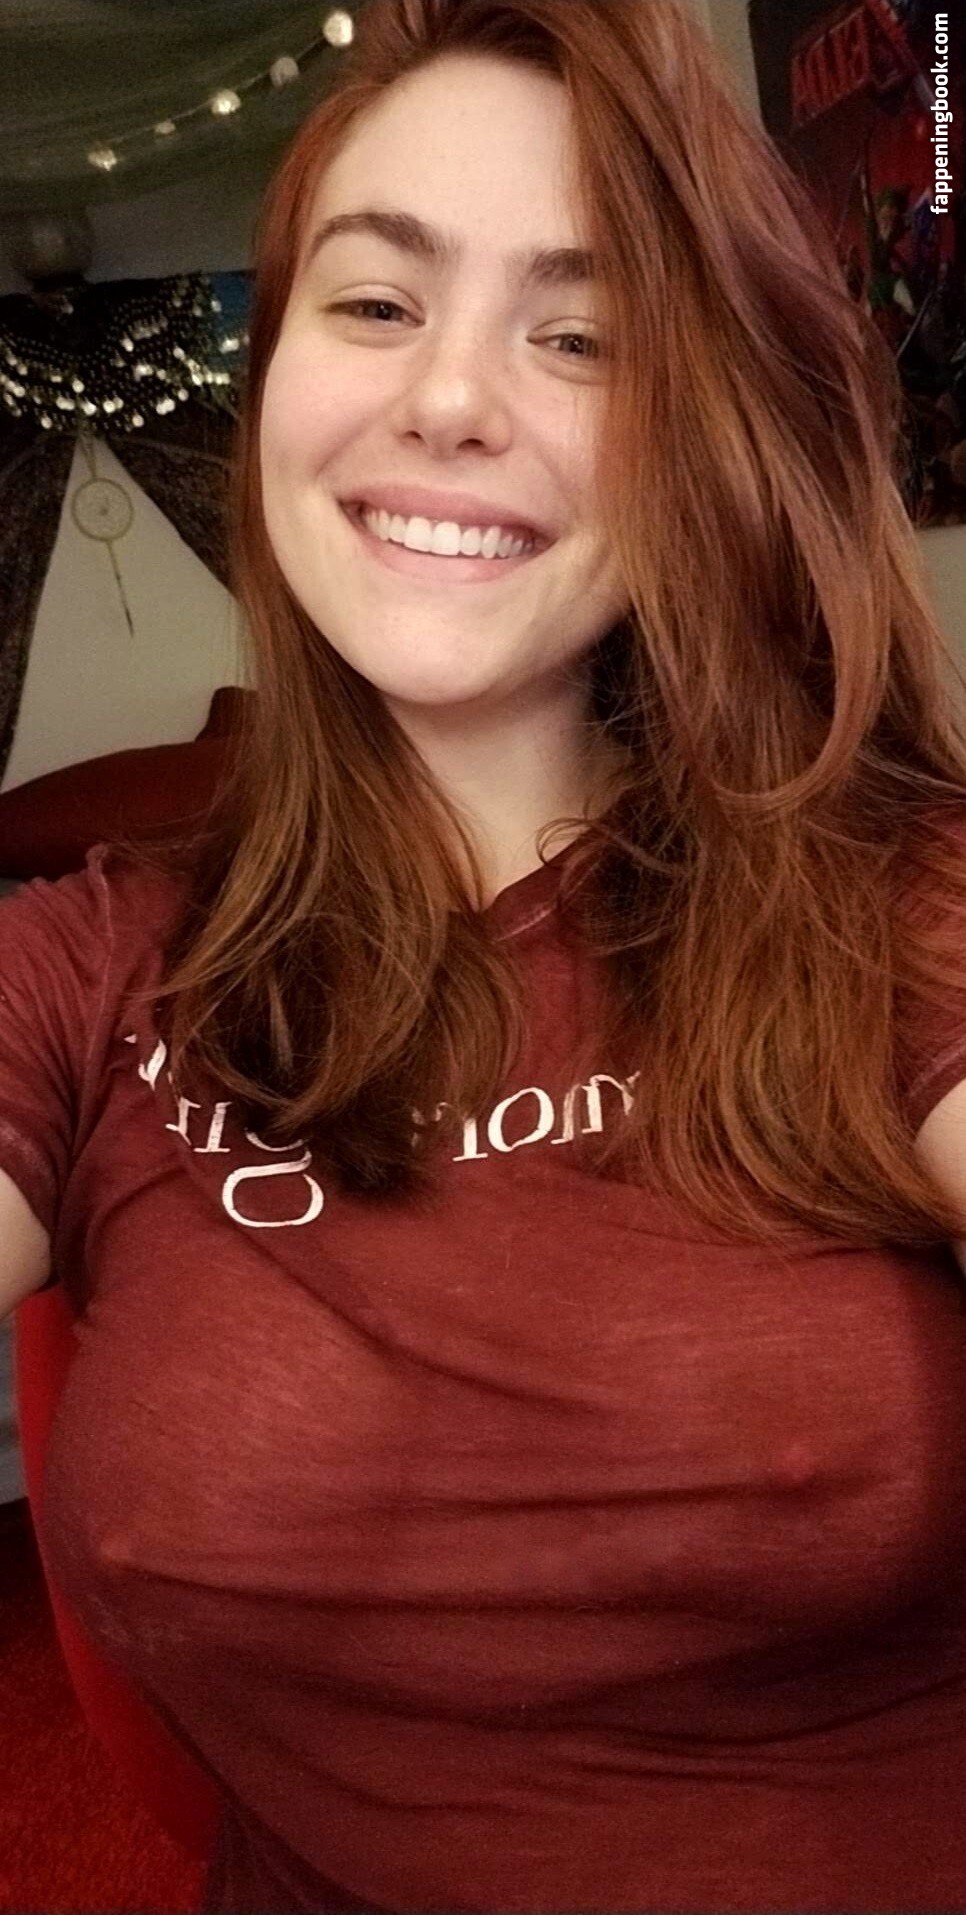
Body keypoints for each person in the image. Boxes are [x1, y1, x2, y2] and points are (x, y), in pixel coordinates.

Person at [6, 1, 966, 1909]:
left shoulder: (897, 903)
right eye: (375, 302)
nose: (448, 398)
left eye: (580, 335)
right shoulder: (89, 964)